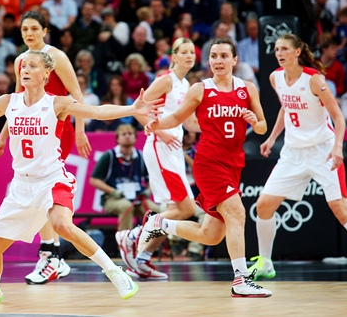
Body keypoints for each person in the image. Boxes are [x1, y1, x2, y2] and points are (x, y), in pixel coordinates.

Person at [0, 50, 154, 303]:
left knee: (62, 225)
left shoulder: (58, 104)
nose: (25, 69)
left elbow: (97, 111)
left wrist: (132, 108)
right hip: (21, 185)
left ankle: (115, 272)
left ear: (46, 73)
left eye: (32, 66)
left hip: (52, 179)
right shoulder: (8, 101)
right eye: (23, 65)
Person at [140, 38, 272, 297]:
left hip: (234, 164)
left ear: (235, 60)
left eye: (224, 56)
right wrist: (156, 124)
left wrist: (254, 122)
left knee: (211, 234)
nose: (218, 61)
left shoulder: (248, 88)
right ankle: (241, 280)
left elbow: (262, 127)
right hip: (209, 163)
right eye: (213, 56)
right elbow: (178, 117)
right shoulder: (200, 89)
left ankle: (160, 223)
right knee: (237, 212)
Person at [248, 34, 347, 284]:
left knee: (341, 209)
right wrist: (272, 138)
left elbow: (338, 117)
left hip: (322, 150)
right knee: (264, 205)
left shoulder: (314, 80)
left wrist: (338, 147)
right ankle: (266, 263)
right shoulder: (275, 78)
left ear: (296, 52)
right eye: (276, 49)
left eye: (284, 49)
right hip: (293, 152)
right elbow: (286, 107)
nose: (279, 53)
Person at [0, 11, 92, 285]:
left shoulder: (55, 56)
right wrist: (2, 137)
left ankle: (51, 255)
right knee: (38, 189)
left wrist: (80, 130)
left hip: (56, 129)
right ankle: (52, 255)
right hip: (30, 129)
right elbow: (17, 103)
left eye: (34, 28)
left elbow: (77, 94)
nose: (29, 33)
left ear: (45, 30)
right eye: (25, 29)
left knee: (43, 188)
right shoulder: (21, 61)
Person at [117, 38, 205, 280]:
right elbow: (138, 109)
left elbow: (188, 122)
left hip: (172, 148)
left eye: (191, 52)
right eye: (183, 52)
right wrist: (161, 131)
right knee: (185, 209)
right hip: (159, 146)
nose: (188, 55)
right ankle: (132, 236)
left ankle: (141, 261)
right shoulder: (165, 80)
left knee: (173, 210)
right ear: (173, 56)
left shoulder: (186, 84)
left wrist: (214, 126)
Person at [90, 123, 156, 230]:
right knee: (126, 207)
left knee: (155, 211)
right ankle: (124, 243)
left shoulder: (140, 156)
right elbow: (94, 180)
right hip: (113, 199)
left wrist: (148, 190)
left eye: (130, 133)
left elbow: (151, 179)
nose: (127, 136)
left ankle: (151, 245)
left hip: (137, 199)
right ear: (117, 139)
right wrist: (112, 191)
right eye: (123, 134)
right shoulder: (109, 156)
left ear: (135, 137)